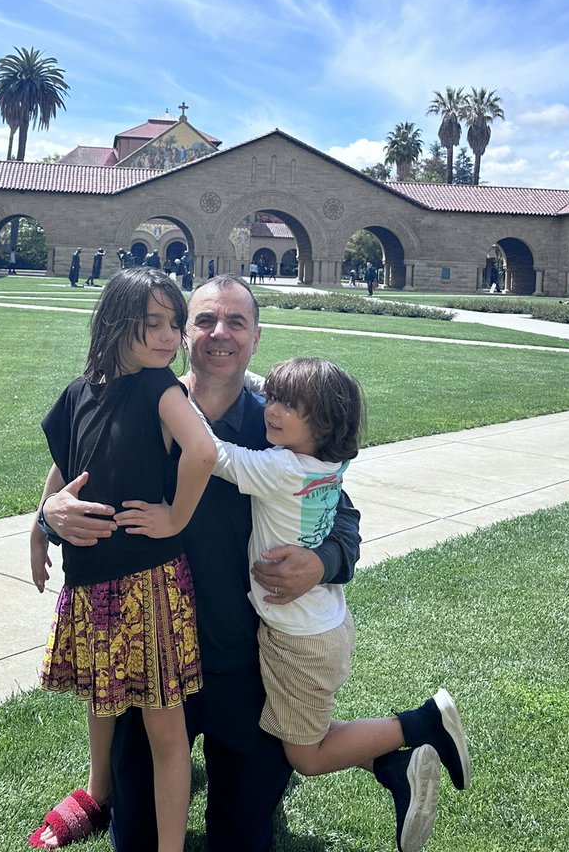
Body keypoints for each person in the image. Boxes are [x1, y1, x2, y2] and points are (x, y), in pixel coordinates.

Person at [38, 277, 366, 852]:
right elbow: (77, 467)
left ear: (256, 338)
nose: (220, 334)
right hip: (155, 656)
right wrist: (46, 516)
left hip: (244, 663)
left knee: (241, 840)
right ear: (186, 334)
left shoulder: (280, 426)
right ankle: (105, 791)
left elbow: (343, 517)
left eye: (236, 322)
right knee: (134, 839)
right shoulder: (138, 404)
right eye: (205, 320)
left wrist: (321, 561)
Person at [206, 357, 470, 852]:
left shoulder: (283, 466)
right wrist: (257, 377)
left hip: (297, 640)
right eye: (274, 397)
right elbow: (294, 401)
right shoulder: (330, 461)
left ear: (323, 421)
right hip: (324, 623)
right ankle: (393, 768)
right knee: (299, 730)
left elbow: (216, 456)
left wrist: (176, 402)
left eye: (291, 405)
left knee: (306, 754)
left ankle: (421, 724)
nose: (273, 410)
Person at [28, 268, 218, 851]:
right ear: (115, 323)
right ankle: (96, 792)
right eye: (152, 323)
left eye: (173, 323)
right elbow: (67, 466)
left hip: (148, 585)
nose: (168, 336)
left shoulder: (161, 388)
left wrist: (176, 517)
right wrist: (39, 529)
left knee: (166, 729)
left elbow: (203, 450)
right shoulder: (80, 392)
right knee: (100, 694)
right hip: (90, 582)